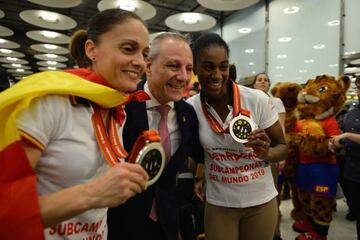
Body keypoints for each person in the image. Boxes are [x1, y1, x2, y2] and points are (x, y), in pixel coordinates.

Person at [0, 9, 150, 239]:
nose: (140, 62)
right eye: (128, 49)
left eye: (145, 53)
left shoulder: (117, 108)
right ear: (91, 50)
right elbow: (6, 210)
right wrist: (92, 193)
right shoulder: (48, 102)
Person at [187, 33, 287, 240]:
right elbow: (197, 153)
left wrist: (267, 152)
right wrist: (198, 176)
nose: (217, 75)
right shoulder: (191, 108)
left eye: (223, 67)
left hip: (260, 200)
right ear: (195, 68)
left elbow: (283, 147)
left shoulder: (256, 99)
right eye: (208, 66)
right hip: (219, 202)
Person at [107, 32, 204, 240]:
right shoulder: (120, 105)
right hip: (118, 221)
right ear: (148, 66)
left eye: (188, 68)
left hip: (166, 221)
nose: (183, 77)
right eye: (173, 66)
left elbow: (202, 154)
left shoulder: (188, 115)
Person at [252, 73, 286, 240]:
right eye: (260, 79)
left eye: (265, 79)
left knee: (271, 194)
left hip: (270, 152)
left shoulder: (276, 101)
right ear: (254, 84)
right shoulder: (247, 100)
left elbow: (282, 130)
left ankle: (274, 233)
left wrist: (281, 156)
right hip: (248, 154)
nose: (263, 81)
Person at [331, 76, 360, 240]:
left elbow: (346, 134)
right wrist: (336, 143)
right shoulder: (351, 113)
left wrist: (347, 135)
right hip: (351, 171)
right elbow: (341, 136)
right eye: (358, 88)